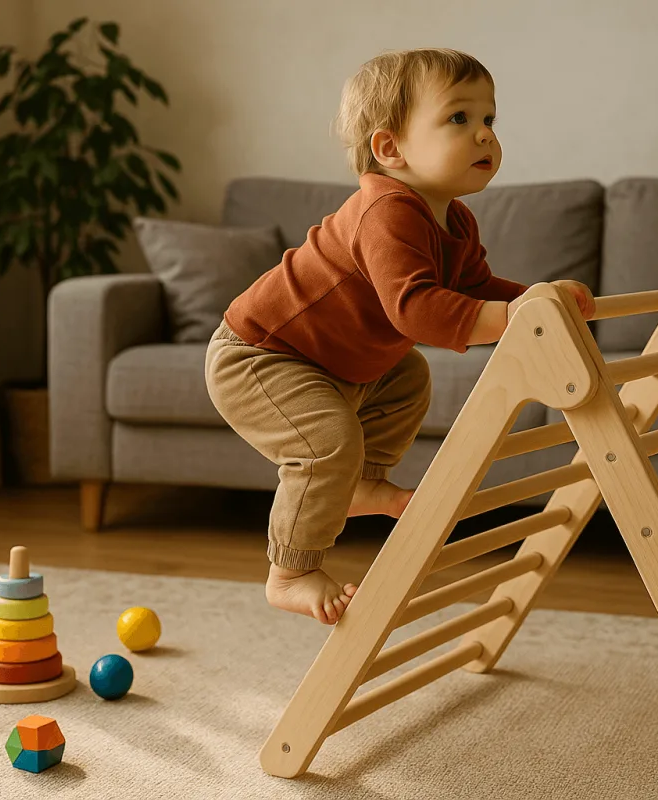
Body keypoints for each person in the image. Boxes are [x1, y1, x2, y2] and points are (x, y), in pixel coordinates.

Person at [205, 48, 595, 625]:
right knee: (325, 442)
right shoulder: (386, 211)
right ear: (391, 149)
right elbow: (416, 311)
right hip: (262, 355)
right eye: (459, 118)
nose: (485, 134)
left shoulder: (455, 220)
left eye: (490, 119)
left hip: (338, 359)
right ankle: (290, 571)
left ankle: (361, 485)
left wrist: (537, 299)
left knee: (408, 375)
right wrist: (518, 319)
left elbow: (477, 285)